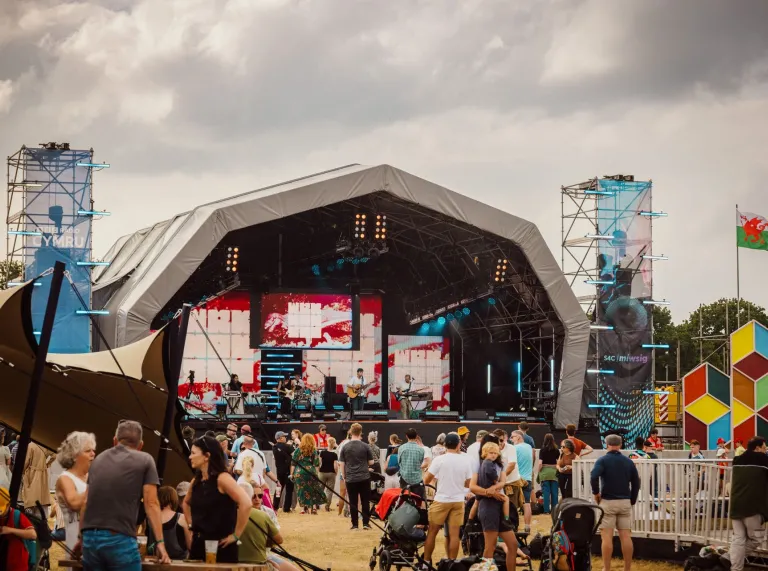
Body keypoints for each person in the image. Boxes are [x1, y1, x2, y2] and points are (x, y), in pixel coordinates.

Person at [80, 420, 170, 568]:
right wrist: (160, 543)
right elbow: (151, 503)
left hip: (90, 538)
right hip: (119, 537)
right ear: (140, 445)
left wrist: (81, 537)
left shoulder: (98, 460)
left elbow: (86, 502)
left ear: (115, 441)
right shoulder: (145, 460)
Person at [184, 436, 252, 562]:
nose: (190, 456)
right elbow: (186, 502)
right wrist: (190, 525)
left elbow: (246, 503)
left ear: (207, 456)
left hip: (221, 546)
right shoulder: (197, 481)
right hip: (199, 545)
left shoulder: (222, 479)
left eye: (193, 453)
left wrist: (236, 535)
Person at [590, 434, 640, 571]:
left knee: (606, 537)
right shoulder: (628, 462)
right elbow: (636, 482)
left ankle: (606, 568)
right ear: (621, 445)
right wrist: (632, 499)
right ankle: (627, 568)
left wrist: (596, 493)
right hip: (625, 501)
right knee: (626, 536)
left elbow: (593, 476)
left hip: (608, 501)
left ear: (606, 445)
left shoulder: (602, 460)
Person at [423, 433, 472, 566]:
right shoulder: (465, 460)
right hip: (458, 500)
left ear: (445, 445)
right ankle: (451, 564)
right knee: (454, 534)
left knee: (432, 532)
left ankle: (426, 562)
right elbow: (468, 483)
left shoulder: (439, 459)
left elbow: (427, 480)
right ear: (458, 444)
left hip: (441, 499)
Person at [469, 442, 518, 571]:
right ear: (484, 452)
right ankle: (484, 569)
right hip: (488, 506)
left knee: (513, 544)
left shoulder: (500, 465)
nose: (493, 455)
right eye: (491, 452)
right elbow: (472, 487)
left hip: (499, 505)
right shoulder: (480, 464)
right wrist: (488, 492)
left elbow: (502, 482)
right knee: (490, 546)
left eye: (496, 453)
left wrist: (493, 489)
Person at [727, 436, 768, 571]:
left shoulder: (737, 460)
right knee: (757, 539)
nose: (765, 449)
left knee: (738, 539)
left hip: (736, 506)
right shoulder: (764, 461)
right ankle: (727, 558)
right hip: (753, 507)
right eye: (764, 447)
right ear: (757, 448)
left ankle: (735, 567)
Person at [55, 431, 96, 559]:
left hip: (95, 539)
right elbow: (75, 503)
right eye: (88, 450)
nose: (93, 454)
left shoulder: (92, 477)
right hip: (76, 540)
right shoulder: (65, 478)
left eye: (93, 450)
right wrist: (97, 486)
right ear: (74, 455)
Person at [235, 482, 283, 566]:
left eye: (260, 496)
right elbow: (278, 539)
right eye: (253, 496)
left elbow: (277, 539)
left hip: (266, 555)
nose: (257, 499)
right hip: (259, 560)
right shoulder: (263, 516)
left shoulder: (268, 512)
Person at [338, 423, 374, 530]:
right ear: (360, 433)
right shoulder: (365, 446)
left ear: (350, 432)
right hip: (364, 477)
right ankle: (366, 523)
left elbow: (342, 464)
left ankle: (354, 524)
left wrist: (344, 476)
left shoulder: (345, 446)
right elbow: (371, 462)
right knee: (365, 501)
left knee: (352, 502)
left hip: (350, 477)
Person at [0, 486, 38, 571]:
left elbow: (33, 534)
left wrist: (9, 530)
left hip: (18, 565)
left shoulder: (16, 515)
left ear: (8, 505)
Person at [147, 486, 190, 560]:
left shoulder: (150, 519)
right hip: (179, 565)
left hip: (155, 563)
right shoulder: (182, 518)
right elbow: (190, 546)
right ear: (174, 500)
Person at [290, 434, 325, 515]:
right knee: (312, 490)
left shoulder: (298, 450)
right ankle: (314, 508)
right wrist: (316, 474)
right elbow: (316, 464)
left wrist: (292, 474)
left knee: (301, 490)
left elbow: (293, 463)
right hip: (310, 471)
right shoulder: (314, 450)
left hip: (299, 472)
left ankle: (302, 509)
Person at [511, 429, 534, 532]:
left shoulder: (514, 448)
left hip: (517, 479)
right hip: (528, 478)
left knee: (514, 504)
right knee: (527, 503)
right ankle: (527, 526)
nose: (511, 439)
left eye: (513, 437)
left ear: (519, 437)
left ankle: (514, 525)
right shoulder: (528, 447)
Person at [21, 441, 50, 515]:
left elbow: (26, 461)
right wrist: (47, 464)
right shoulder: (45, 445)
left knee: (30, 494)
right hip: (43, 472)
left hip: (32, 472)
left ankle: (30, 513)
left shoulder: (30, 445)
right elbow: (54, 455)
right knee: (42, 495)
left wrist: (23, 471)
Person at [398, 428, 426, 498]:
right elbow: (420, 462)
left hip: (404, 479)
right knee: (418, 500)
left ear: (406, 436)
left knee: (404, 500)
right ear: (416, 436)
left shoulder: (401, 448)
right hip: (417, 480)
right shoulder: (421, 449)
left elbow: (399, 462)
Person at [272, 432, 294, 514]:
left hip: (279, 471)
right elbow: (294, 456)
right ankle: (286, 508)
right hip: (288, 471)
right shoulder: (288, 447)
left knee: (278, 489)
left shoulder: (274, 447)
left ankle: (275, 506)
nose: (285, 438)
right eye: (284, 436)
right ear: (280, 438)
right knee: (289, 490)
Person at [538, 433, 560, 514]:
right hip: (554, 472)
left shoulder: (542, 450)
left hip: (545, 472)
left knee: (546, 492)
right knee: (554, 492)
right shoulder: (557, 450)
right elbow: (558, 462)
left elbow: (540, 463)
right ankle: (555, 510)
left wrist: (539, 470)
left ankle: (546, 510)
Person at [318, 437, 339, 511]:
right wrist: (336, 472)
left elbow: (319, 463)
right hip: (331, 473)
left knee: (320, 489)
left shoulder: (322, 453)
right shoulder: (334, 454)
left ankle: (317, 505)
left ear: (327, 443)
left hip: (322, 472)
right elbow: (335, 466)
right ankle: (327, 507)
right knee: (329, 491)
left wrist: (318, 471)